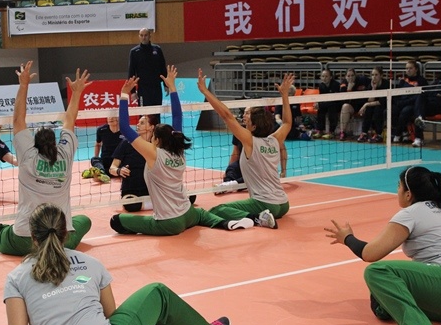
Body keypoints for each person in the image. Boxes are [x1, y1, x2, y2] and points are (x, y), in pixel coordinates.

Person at [0, 203, 231, 325]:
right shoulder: (90, 263)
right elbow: (111, 316)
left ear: (32, 237)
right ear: (67, 234)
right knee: (157, 292)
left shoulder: (16, 277)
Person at [325, 166, 441, 325]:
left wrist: (347, 238)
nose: (396, 191)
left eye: (398, 186)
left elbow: (370, 254)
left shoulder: (411, 213)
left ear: (408, 194)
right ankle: (397, 312)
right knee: (382, 301)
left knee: (378, 271)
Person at [110, 65, 258, 236]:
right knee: (202, 214)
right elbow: (177, 116)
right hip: (188, 213)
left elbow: (124, 127)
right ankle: (225, 223)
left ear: (156, 140)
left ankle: (224, 222)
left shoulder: (154, 153)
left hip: (169, 222)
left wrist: (124, 95)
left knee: (117, 221)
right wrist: (172, 87)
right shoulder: (178, 149)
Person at [0, 61, 92, 256]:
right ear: (55, 144)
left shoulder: (28, 156)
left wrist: (24, 84)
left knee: (0, 235)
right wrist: (76, 92)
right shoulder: (66, 154)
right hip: (60, 240)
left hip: (25, 240)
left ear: (35, 144)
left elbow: (18, 120)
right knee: (84, 221)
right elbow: (70, 120)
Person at [199, 69, 294, 227]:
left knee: (218, 209)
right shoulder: (275, 140)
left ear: (254, 125)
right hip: (283, 204)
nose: (244, 116)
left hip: (265, 204)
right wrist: (284, 95)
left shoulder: (249, 141)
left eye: (248, 115)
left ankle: (258, 218)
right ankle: (262, 216)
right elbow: (287, 123)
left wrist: (205, 91)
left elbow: (226, 115)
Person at [128, 28, 167, 123]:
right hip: (143, 90)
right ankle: (144, 136)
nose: (143, 37)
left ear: (150, 36)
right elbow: (131, 72)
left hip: (156, 88)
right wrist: (133, 91)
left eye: (145, 35)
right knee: (143, 115)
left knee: (156, 114)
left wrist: (166, 84)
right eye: (141, 35)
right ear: (139, 36)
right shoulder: (134, 52)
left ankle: (157, 136)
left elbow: (163, 67)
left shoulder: (157, 49)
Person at [392, 60, 428, 147]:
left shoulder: (421, 81)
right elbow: (396, 94)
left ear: (416, 69)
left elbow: (420, 97)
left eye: (410, 68)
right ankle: (403, 132)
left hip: (413, 105)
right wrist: (398, 102)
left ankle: (398, 133)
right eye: (407, 68)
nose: (408, 70)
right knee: (390, 110)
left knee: (405, 111)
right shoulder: (403, 81)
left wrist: (404, 103)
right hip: (402, 103)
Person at [357, 66, 389, 143]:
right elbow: (369, 100)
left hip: (386, 105)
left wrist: (365, 105)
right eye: (372, 75)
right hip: (374, 105)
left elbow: (382, 102)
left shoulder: (386, 84)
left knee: (377, 109)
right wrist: (373, 89)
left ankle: (379, 134)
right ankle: (364, 133)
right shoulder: (370, 85)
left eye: (376, 75)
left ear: (381, 75)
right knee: (369, 109)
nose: (374, 77)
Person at [84, 116, 121, 184]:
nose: (110, 118)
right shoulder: (101, 130)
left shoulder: (125, 130)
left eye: (113, 116)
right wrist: (96, 158)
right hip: (106, 160)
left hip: (119, 161)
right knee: (94, 159)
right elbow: (98, 144)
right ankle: (100, 171)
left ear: (119, 117)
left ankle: (99, 173)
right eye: (109, 116)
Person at [338, 68, 369, 141]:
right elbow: (343, 102)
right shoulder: (343, 84)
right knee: (345, 106)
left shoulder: (363, 80)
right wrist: (349, 89)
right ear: (345, 77)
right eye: (348, 76)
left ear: (355, 76)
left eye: (352, 75)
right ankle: (343, 132)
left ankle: (365, 133)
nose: (350, 77)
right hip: (352, 106)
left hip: (363, 105)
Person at [311, 68, 341, 139]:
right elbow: (322, 98)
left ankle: (331, 132)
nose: (324, 78)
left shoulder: (335, 85)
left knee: (331, 108)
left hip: (337, 103)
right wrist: (317, 103)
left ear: (330, 77)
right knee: (320, 109)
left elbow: (334, 100)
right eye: (323, 76)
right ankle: (320, 130)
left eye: (326, 76)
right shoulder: (321, 86)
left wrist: (320, 104)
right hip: (327, 103)